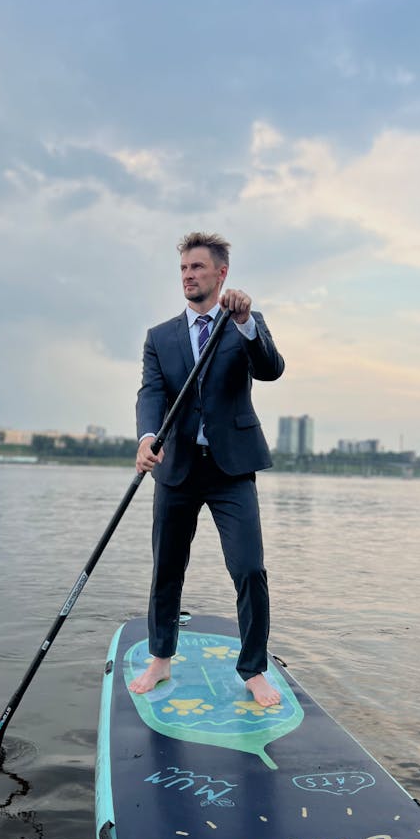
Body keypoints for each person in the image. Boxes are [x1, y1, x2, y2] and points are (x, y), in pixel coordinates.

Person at [129, 231, 285, 707]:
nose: (188, 276)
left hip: (231, 469)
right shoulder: (160, 337)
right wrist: (146, 437)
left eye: (197, 268)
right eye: (183, 269)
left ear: (221, 274)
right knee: (167, 568)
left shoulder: (245, 322)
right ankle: (160, 658)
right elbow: (151, 392)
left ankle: (253, 669)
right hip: (175, 467)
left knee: (249, 568)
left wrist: (244, 325)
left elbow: (271, 369)